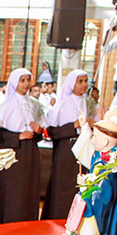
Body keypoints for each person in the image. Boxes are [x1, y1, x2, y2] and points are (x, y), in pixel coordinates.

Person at [0, 68, 42, 224]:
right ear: (14, 82)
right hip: (13, 153)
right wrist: (18, 136)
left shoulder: (34, 105)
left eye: (28, 80)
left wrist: (37, 131)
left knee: (29, 190)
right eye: (22, 80)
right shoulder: (7, 105)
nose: (26, 84)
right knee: (13, 192)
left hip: (30, 151)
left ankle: (27, 224)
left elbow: (37, 132)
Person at [42, 70, 89, 221]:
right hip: (67, 150)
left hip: (83, 149)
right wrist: (73, 126)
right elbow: (52, 131)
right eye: (79, 81)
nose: (83, 85)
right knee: (63, 185)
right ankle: (58, 217)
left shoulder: (87, 102)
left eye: (85, 81)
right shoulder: (63, 102)